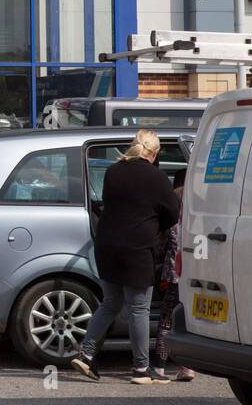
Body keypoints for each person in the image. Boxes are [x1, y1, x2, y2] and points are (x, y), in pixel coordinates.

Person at [72, 129, 181, 385]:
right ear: (153, 153)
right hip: (137, 250)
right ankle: (141, 369)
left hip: (107, 247)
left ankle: (86, 354)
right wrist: (157, 228)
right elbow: (173, 214)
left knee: (110, 302)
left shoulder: (113, 171)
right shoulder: (156, 177)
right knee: (139, 309)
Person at [152, 168, 196, 381]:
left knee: (167, 320)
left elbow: (164, 243)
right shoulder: (197, 206)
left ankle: (159, 367)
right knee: (186, 321)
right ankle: (187, 367)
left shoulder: (171, 208)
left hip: (172, 274)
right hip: (195, 272)